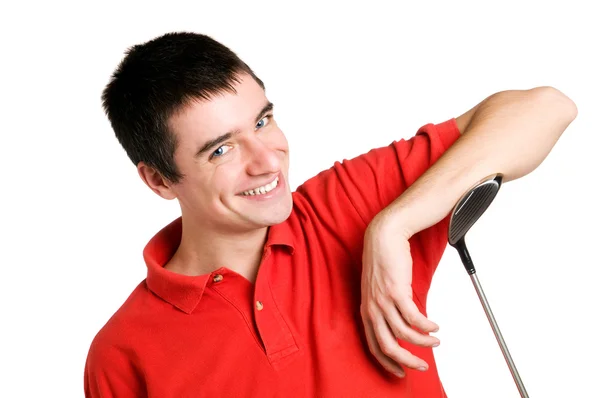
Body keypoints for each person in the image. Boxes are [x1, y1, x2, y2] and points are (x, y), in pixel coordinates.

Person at [83, 31, 577, 397]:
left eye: (262, 121)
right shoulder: (123, 355)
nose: (267, 159)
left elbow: (545, 108)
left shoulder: (345, 207)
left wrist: (393, 226)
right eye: (221, 151)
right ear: (159, 180)